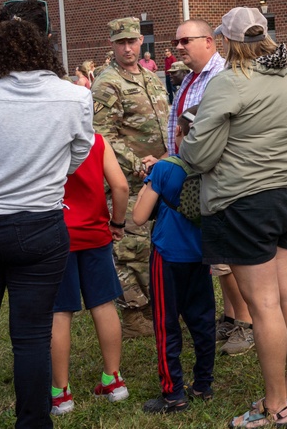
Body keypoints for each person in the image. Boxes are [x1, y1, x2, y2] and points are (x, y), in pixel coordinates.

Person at [180, 7, 287, 427]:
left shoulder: (228, 82)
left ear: (227, 41)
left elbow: (200, 154)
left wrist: (190, 135)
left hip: (243, 202)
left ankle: (275, 405)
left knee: (264, 304)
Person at [0, 1, 94, 429]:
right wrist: (46, 175)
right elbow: (80, 150)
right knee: (32, 338)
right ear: (48, 43)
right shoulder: (75, 96)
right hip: (39, 224)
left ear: (0, 42)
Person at [169, 19, 252, 356]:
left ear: (208, 41)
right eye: (177, 42)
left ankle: (247, 324)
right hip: (192, 174)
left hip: (216, 175)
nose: (178, 48)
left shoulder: (221, 76)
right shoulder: (190, 77)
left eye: (185, 41)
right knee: (216, 257)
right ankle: (232, 316)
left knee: (228, 258)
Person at [132, 106, 216, 413]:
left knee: (167, 325)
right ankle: (203, 384)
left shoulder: (166, 168)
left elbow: (140, 217)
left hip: (167, 256)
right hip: (201, 255)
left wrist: (150, 181)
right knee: (203, 321)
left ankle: (173, 394)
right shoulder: (214, 166)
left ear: (178, 132)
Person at [92, 17, 170, 339]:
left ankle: (154, 304)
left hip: (158, 177)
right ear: (112, 44)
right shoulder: (107, 83)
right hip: (129, 180)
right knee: (130, 248)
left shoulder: (151, 78)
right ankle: (134, 316)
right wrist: (140, 165)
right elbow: (102, 133)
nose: (127, 47)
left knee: (153, 245)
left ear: (141, 42)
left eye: (132, 41)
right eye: (121, 42)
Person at [50, 133, 130, 415]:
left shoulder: (44, 134)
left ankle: (60, 393)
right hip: (96, 233)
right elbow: (120, 186)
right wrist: (117, 222)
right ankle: (113, 379)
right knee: (103, 303)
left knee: (59, 311)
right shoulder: (97, 140)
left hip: (56, 232)